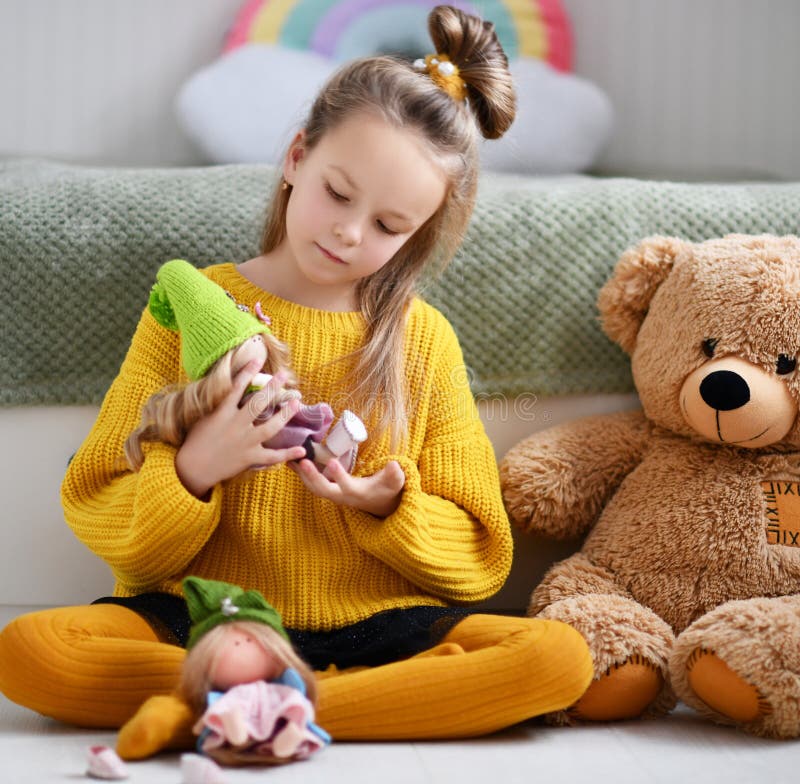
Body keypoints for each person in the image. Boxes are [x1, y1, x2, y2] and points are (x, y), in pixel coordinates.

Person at [0, 4, 593, 757]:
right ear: (296, 156)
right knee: (33, 650)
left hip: (377, 627)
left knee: (558, 658)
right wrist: (195, 469)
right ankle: (280, 703)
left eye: (388, 225)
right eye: (338, 194)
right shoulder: (193, 305)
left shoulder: (422, 341)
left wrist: (388, 503)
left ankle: (256, 711)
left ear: (419, 232)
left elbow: (482, 558)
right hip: (207, 618)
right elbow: (94, 502)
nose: (349, 233)